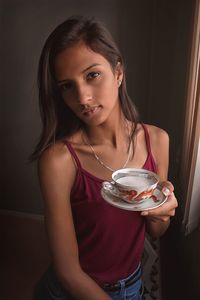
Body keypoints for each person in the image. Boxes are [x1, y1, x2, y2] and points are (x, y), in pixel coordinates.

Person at [32, 15, 178, 300]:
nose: (83, 98)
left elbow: (155, 231)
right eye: (67, 86)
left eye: (92, 75)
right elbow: (68, 272)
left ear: (119, 72)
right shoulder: (58, 161)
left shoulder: (157, 141)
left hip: (132, 287)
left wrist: (163, 211)